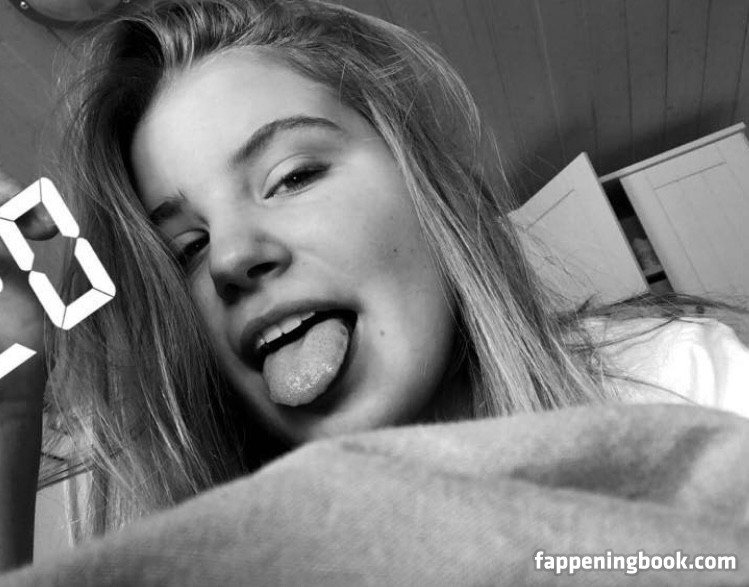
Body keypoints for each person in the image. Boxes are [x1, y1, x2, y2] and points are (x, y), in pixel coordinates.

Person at [0, 0, 748, 581]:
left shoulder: (679, 379)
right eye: (185, 249)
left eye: (293, 176)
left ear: (426, 187)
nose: (229, 256)